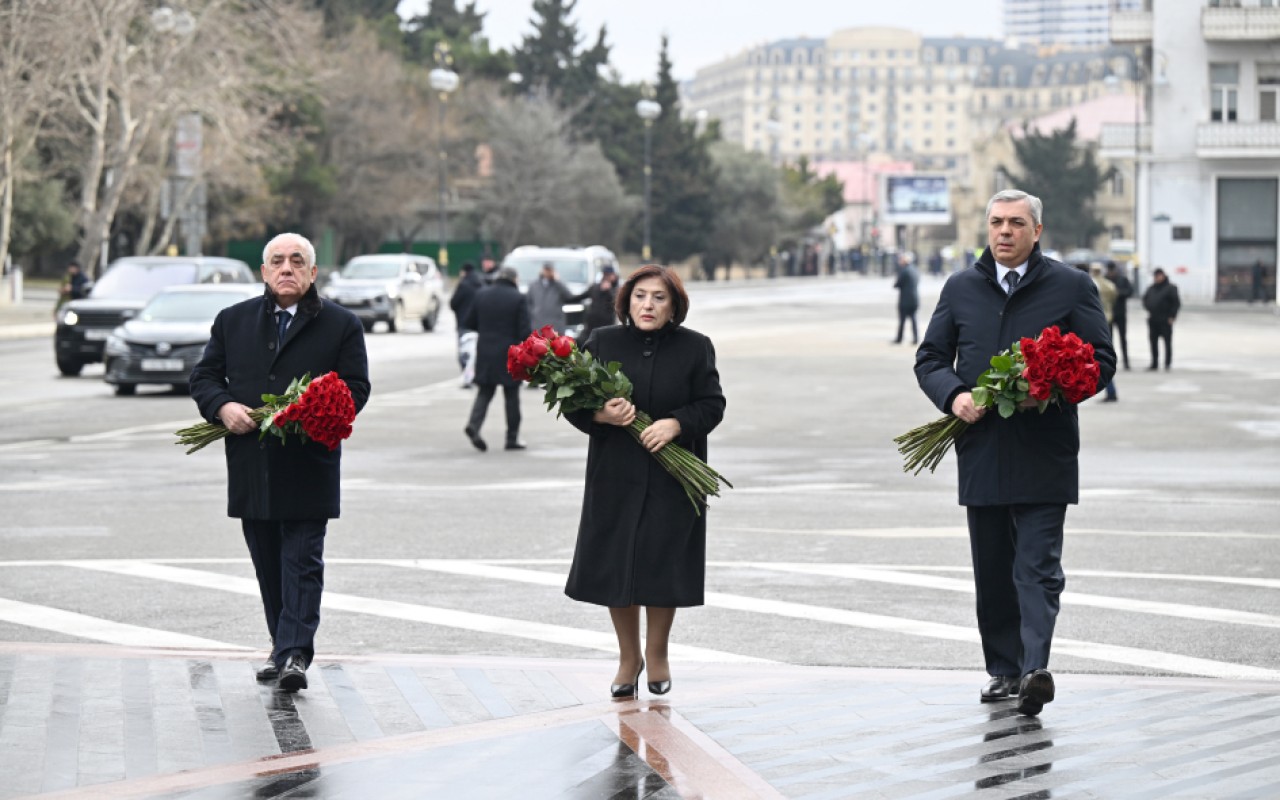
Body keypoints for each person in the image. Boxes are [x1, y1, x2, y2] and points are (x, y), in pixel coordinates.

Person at [914, 190, 1115, 717]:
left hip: (1045, 449)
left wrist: (1051, 390)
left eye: (1017, 223)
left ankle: (1035, 669)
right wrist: (954, 394)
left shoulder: (1072, 286)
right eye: (997, 222)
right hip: (980, 447)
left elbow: (1101, 361)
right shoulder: (960, 288)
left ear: (1037, 231)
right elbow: (930, 357)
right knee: (994, 567)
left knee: (1038, 566)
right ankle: (1004, 669)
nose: (1005, 231)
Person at [189, 232, 371, 693]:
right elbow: (205, 376)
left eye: (297, 261)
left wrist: (312, 411)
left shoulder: (341, 324)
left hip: (309, 464)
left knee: (302, 562)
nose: (286, 268)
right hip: (253, 463)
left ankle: (295, 653)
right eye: (277, 261)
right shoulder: (233, 320)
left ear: (313, 273)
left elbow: (356, 388)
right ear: (264, 272)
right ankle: (280, 645)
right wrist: (223, 407)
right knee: (268, 563)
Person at [563, 265, 725, 700]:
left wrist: (676, 425)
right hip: (616, 472)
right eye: (639, 296)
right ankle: (627, 657)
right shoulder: (600, 342)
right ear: (625, 302)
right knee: (618, 564)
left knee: (662, 562)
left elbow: (712, 405)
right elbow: (573, 403)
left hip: (673, 474)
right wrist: (601, 415)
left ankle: (658, 654)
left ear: (674, 306)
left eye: (658, 297)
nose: (647, 305)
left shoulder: (696, 347)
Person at [462, 266, 530, 451]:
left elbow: (468, 322)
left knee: (485, 391)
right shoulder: (518, 298)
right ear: (514, 279)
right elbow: (524, 331)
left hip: (485, 350)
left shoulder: (481, 294)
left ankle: (473, 426)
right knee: (512, 395)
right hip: (509, 353)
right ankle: (512, 438)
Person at [450, 262, 484, 388]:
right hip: (479, 324)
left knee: (464, 352)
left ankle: (467, 376)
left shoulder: (463, 285)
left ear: (464, 271)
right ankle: (476, 376)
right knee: (477, 352)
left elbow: (453, 303)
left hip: (464, 323)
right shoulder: (481, 284)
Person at [1089, 263, 1119, 402]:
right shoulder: (1109, 285)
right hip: (1108, 319)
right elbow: (1114, 297)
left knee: (1099, 357)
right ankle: (1111, 391)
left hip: (1096, 322)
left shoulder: (1090, 283)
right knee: (1106, 354)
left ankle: (1110, 391)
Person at [1142, 267, 1180, 371]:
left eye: (1159, 276)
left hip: (1165, 319)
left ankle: (1167, 363)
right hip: (1153, 318)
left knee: (1167, 342)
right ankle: (1154, 363)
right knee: (1153, 342)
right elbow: (1145, 299)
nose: (1157, 278)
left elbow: (1176, 303)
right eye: (1155, 276)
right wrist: (1149, 307)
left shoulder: (1171, 288)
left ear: (1163, 276)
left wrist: (1172, 316)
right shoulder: (1152, 288)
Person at [570, 265, 619, 343]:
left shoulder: (616, 289)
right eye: (605, 275)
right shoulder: (595, 287)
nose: (607, 277)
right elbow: (580, 297)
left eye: (609, 275)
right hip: (591, 324)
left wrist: (608, 291)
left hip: (606, 324)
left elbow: (616, 302)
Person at [527, 262, 574, 334]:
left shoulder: (559, 285)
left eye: (550, 270)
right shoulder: (534, 285)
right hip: (538, 325)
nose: (548, 272)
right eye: (546, 270)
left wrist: (558, 281)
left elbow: (569, 297)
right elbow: (528, 303)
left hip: (555, 326)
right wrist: (534, 314)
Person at [1105, 261, 1132, 371]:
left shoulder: (1122, 279)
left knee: (1123, 338)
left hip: (1120, 313)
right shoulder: (1105, 280)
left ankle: (1126, 362)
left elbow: (1130, 291)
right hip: (1108, 314)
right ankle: (1110, 362)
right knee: (1109, 340)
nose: (1111, 273)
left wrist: (1118, 293)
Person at [892, 258, 920, 344]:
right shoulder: (915, 270)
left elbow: (897, 284)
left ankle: (899, 338)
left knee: (902, 320)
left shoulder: (904, 271)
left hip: (905, 299)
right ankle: (915, 338)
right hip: (915, 298)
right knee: (913, 319)